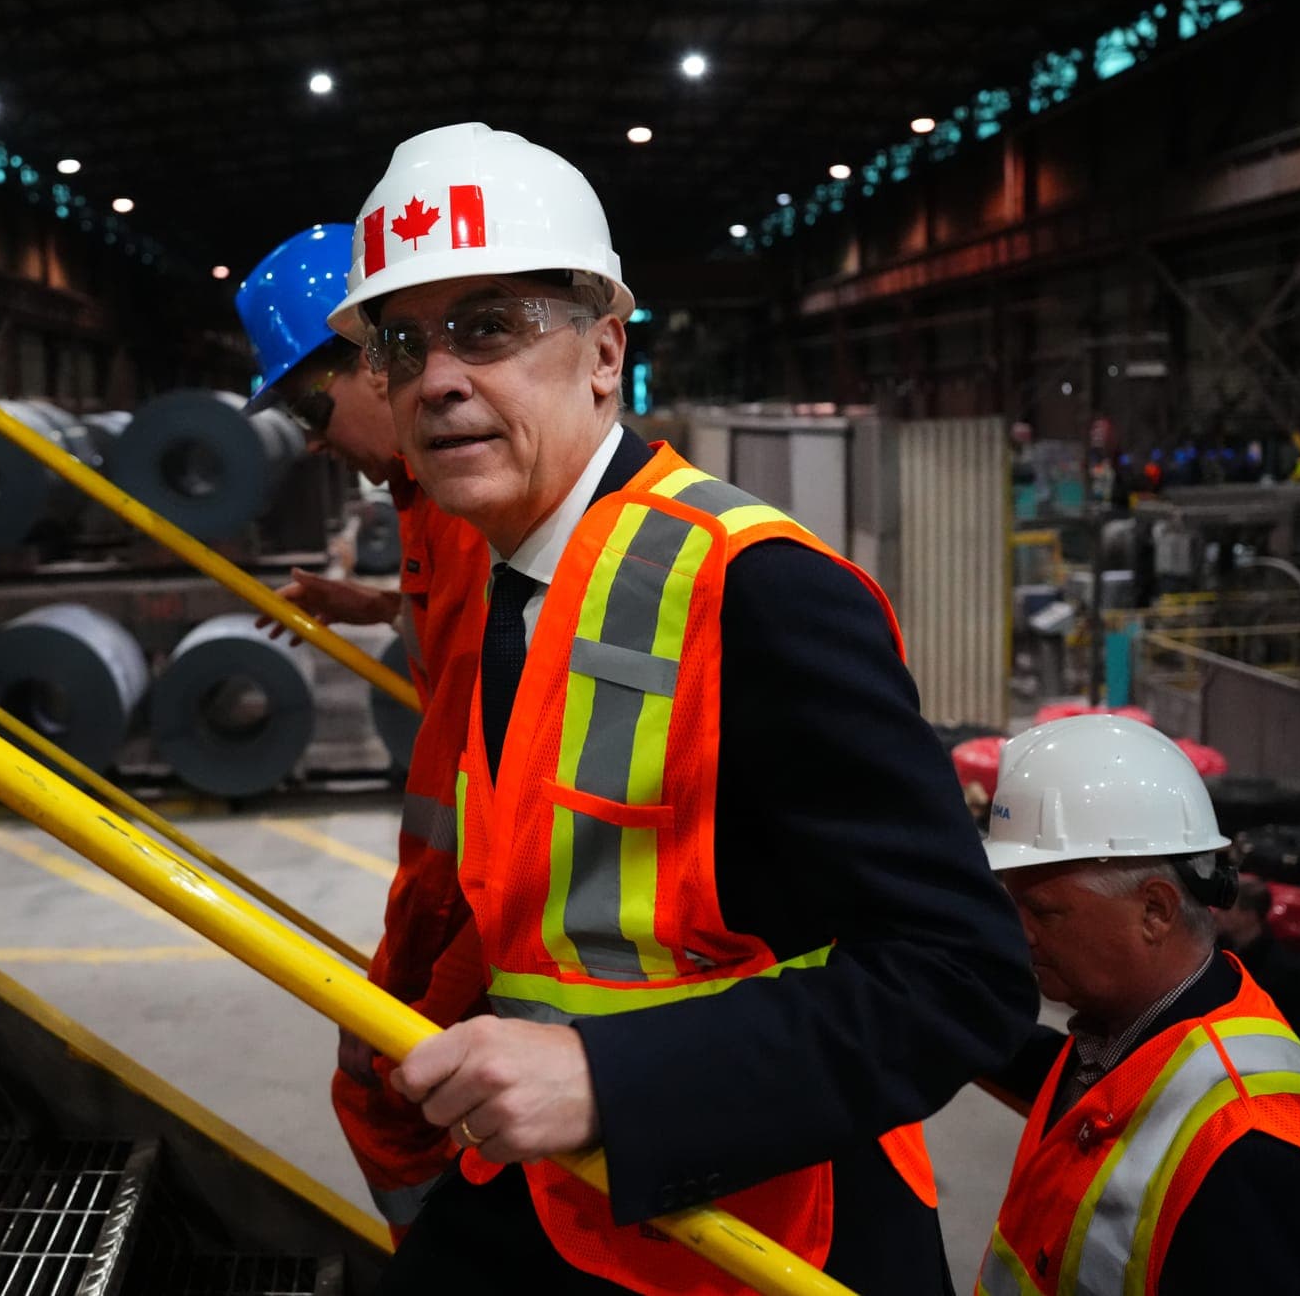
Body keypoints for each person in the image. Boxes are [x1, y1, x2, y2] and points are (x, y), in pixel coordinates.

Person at [326, 122, 1037, 1294]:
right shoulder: (517, 584)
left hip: (757, 1234)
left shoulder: (752, 587)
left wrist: (607, 1079)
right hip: (570, 1201)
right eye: (400, 345)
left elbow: (958, 977)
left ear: (605, 350)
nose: (437, 376)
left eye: (488, 326)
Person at [239, 222, 493, 1238]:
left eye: (308, 403)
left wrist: (448, 963)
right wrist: (382, 607)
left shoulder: (470, 508)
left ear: (373, 361)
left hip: (477, 891)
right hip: (454, 879)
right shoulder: (424, 502)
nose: (308, 436)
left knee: (386, 1091)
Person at [979, 715, 1300, 1294]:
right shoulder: (1117, 1034)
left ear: (1156, 911)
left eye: (1042, 911)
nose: (1021, 933)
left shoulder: (1252, 1153)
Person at [1214, 873, 1300, 1032]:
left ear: (1249, 916)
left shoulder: (1284, 973)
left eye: (1226, 908)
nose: (1217, 913)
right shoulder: (1216, 949)